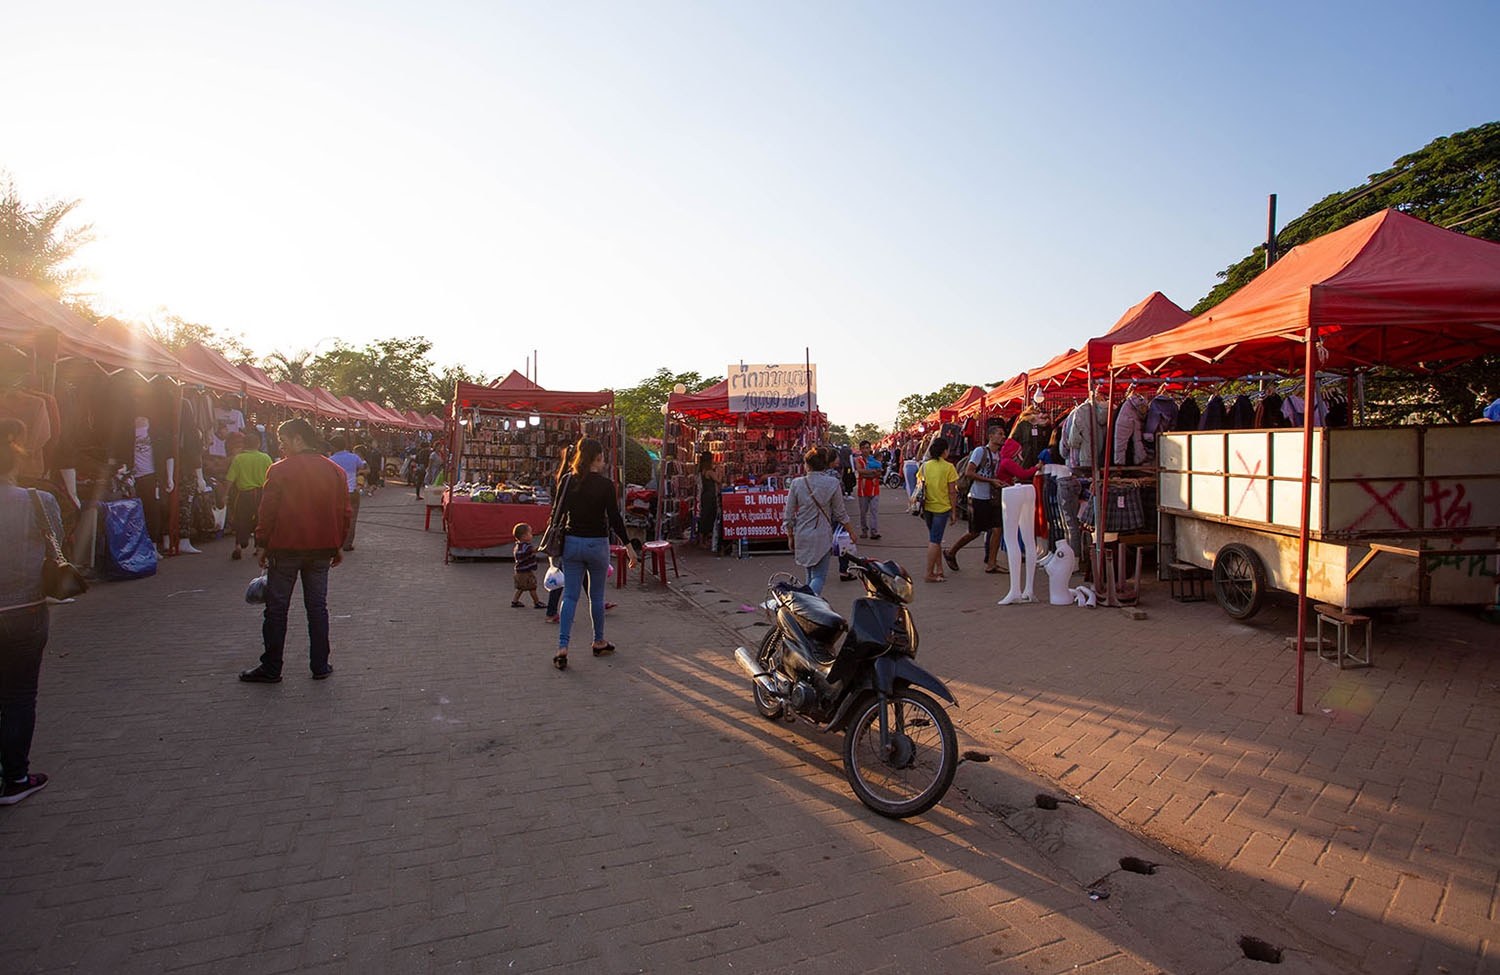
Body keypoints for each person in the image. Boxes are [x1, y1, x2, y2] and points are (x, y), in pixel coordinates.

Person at [239, 418, 351, 683]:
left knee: (277, 609)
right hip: (322, 550)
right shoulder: (334, 471)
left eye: (284, 441)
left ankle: (272, 666)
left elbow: (267, 512)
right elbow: (344, 513)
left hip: (285, 549)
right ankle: (320, 665)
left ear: (298, 439)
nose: (282, 447)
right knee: (317, 608)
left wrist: (262, 544)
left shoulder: (279, 471)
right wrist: (337, 544)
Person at [0, 419, 61, 805]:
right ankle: (17, 777)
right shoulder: (39, 501)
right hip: (25, 607)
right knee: (20, 694)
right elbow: (55, 548)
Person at [552, 438, 636, 671]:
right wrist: (629, 547)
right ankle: (598, 641)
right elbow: (615, 518)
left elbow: (556, 513)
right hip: (597, 545)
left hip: (572, 543)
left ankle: (562, 647)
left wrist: (551, 549)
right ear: (597, 458)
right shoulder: (606, 485)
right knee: (596, 597)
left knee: (569, 597)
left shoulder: (568, 480)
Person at [783, 446, 853, 595]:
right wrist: (851, 532)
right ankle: (807, 604)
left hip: (802, 533)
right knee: (819, 576)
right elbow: (840, 513)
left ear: (807, 465)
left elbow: (788, 515)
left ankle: (806, 605)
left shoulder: (797, 483)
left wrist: (790, 536)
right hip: (822, 534)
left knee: (810, 574)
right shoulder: (832, 483)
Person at [225, 433, 273, 561]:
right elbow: (271, 477)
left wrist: (225, 494)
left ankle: (239, 545)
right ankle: (259, 547)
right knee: (260, 520)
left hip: (243, 494)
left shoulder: (239, 458)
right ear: (258, 444)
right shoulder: (265, 458)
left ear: (244, 444)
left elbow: (230, 478)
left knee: (241, 519)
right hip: (261, 494)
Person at [918, 437, 959, 583]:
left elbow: (921, 484)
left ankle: (939, 569)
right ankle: (929, 573)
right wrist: (954, 512)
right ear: (945, 451)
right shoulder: (949, 467)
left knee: (936, 538)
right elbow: (952, 492)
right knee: (934, 540)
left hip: (927, 506)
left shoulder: (925, 466)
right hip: (941, 508)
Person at [327, 437, 366, 552]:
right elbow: (362, 467)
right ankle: (347, 544)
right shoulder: (354, 457)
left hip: (337, 493)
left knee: (337, 517)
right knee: (352, 518)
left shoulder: (331, 460)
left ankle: (336, 541)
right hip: (352, 491)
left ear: (334, 447)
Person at [510, 523, 546, 608]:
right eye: (530, 533)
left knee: (521, 587)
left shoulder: (519, 546)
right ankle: (536, 602)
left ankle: (515, 601)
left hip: (521, 571)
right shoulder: (525, 547)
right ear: (524, 536)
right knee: (532, 587)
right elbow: (533, 550)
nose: (531, 535)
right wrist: (541, 547)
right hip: (525, 572)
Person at [852, 440, 882, 540]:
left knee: (874, 511)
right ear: (860, 449)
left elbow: (878, 473)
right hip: (863, 490)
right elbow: (860, 471)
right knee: (863, 512)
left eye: (867, 448)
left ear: (870, 449)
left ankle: (874, 531)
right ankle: (864, 531)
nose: (866, 450)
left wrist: (867, 474)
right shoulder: (858, 460)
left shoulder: (874, 460)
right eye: (864, 448)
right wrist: (872, 472)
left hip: (874, 489)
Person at [696, 450, 719, 551]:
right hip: (710, 497)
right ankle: (703, 541)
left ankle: (703, 541)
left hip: (705, 496)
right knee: (708, 517)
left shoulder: (702, 471)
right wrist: (718, 472)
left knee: (704, 517)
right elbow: (718, 481)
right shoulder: (710, 472)